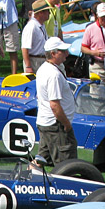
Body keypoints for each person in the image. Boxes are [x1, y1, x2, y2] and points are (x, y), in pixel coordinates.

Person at [34, 37, 76, 166]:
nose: (67, 54)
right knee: (66, 164)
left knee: (40, 159)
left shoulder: (45, 68)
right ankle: (65, 186)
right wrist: (66, 124)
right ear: (53, 53)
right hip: (55, 125)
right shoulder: (53, 75)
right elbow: (54, 105)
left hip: (46, 122)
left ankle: (24, 181)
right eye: (62, 51)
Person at [22, 0, 49, 75]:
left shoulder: (41, 25)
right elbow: (25, 48)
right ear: (40, 13)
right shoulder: (31, 27)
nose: (49, 13)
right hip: (34, 61)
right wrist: (28, 66)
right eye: (47, 11)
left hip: (42, 59)